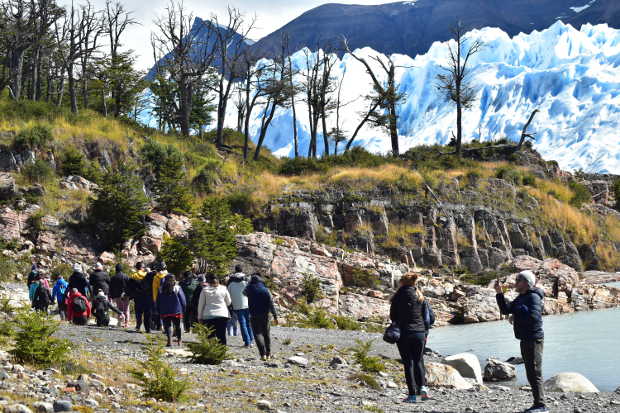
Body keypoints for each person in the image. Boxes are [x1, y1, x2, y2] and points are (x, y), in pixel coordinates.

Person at [495, 271, 548, 413]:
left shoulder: (533, 297)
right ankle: (537, 404)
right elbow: (506, 309)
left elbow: (534, 319)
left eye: (518, 280)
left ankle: (541, 406)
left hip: (534, 339)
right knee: (530, 372)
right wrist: (499, 293)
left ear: (526, 282)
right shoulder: (521, 297)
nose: (515, 282)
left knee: (535, 372)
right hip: (525, 339)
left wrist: (516, 315)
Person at [390, 272, 430, 403]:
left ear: (402, 282)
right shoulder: (420, 295)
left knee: (408, 363)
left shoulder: (397, 296)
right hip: (420, 333)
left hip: (404, 333)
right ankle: (423, 389)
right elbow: (427, 317)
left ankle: (413, 395)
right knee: (418, 361)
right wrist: (425, 331)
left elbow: (393, 317)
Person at [244, 274, 278, 361]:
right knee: (266, 334)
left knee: (257, 334)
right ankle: (268, 353)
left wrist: (249, 284)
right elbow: (271, 303)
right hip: (265, 315)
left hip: (254, 314)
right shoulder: (266, 290)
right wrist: (275, 316)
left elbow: (243, 293)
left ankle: (262, 354)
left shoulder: (249, 289)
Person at [197, 274, 231, 345]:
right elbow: (229, 302)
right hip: (222, 315)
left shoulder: (204, 290)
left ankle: (212, 352)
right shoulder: (224, 288)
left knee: (210, 335)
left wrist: (199, 317)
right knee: (221, 335)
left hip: (208, 315)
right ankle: (222, 352)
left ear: (209, 281)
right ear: (218, 281)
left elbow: (201, 305)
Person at [157, 274, 186, 347]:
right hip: (176, 310)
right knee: (177, 325)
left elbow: (158, 300)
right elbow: (183, 300)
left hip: (165, 310)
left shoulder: (161, 288)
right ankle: (179, 340)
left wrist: (158, 309)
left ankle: (169, 340)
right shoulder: (177, 287)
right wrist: (184, 308)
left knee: (167, 325)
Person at [227, 266, 254, 347]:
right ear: (242, 270)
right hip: (247, 304)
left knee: (242, 324)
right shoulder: (246, 281)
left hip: (237, 306)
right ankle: (251, 340)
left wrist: (230, 306)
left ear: (235, 271)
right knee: (248, 323)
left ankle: (247, 342)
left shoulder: (231, 283)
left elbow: (228, 296)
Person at [128, 262, 151, 333]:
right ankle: (148, 328)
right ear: (142, 268)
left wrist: (130, 296)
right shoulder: (147, 275)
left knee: (138, 312)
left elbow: (130, 287)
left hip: (137, 297)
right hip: (147, 297)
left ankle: (138, 326)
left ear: (136, 268)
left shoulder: (133, 275)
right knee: (147, 313)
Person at [109, 264, 130, 328]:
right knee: (126, 309)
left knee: (119, 309)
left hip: (117, 296)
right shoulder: (126, 276)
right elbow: (129, 286)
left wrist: (111, 296)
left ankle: (119, 322)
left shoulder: (113, 277)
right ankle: (126, 323)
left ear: (116, 269)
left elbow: (111, 288)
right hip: (125, 295)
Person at [150, 262, 168, 332]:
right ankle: (167, 326)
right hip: (168, 296)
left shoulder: (156, 277)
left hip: (159, 297)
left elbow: (154, 289)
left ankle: (161, 326)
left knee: (160, 312)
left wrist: (154, 300)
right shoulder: (169, 275)